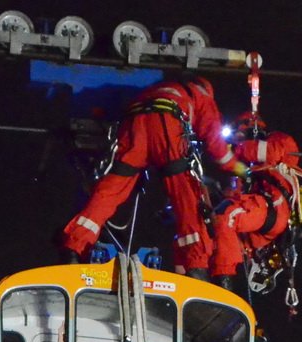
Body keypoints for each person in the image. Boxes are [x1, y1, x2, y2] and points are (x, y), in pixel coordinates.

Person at [57, 74, 247, 278]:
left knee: (108, 192)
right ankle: (196, 267)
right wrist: (236, 166)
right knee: (187, 199)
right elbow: (213, 139)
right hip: (165, 125)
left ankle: (73, 248)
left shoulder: (159, 88)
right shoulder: (200, 94)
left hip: (133, 126)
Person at [209, 113, 302, 289]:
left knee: (227, 214)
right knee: (214, 226)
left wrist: (237, 150)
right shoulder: (248, 169)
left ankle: (223, 285)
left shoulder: (279, 141)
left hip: (274, 207)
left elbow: (270, 152)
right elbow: (237, 195)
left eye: (239, 134)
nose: (236, 140)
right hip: (257, 223)